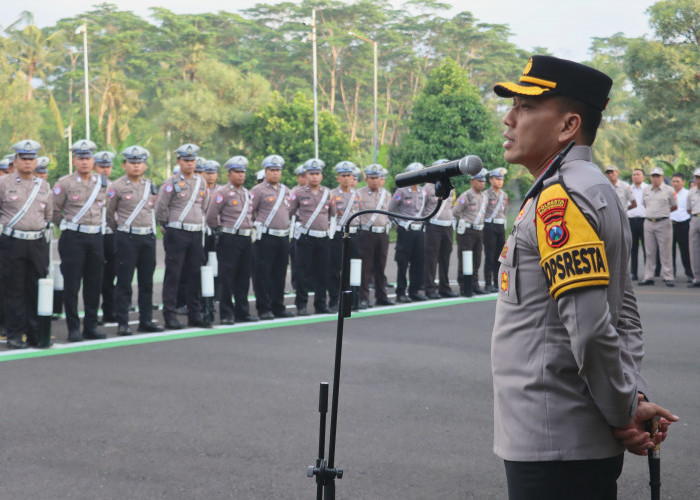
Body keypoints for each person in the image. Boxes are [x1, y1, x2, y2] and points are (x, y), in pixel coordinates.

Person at [491, 55, 678, 499]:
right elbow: (624, 311)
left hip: (554, 441)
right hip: (568, 438)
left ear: (568, 125)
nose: (509, 118)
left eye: (526, 107)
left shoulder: (563, 199)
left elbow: (594, 330)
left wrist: (622, 415)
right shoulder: (593, 188)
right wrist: (631, 398)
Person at [53, 139, 109, 342]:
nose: (84, 162)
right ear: (74, 160)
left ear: (93, 160)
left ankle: (91, 326)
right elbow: (54, 210)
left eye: (87, 158)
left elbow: (107, 208)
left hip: (95, 236)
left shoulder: (102, 183)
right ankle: (73, 329)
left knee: (94, 283)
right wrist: (68, 227)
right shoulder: (64, 183)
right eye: (80, 158)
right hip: (73, 238)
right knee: (72, 284)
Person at [0, 140, 52, 349]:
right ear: (16, 160)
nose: (29, 162)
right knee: (14, 290)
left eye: (32, 158)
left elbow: (48, 215)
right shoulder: (4, 184)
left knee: (35, 290)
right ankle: (14, 334)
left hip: (37, 242)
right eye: (24, 158)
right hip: (13, 242)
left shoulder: (44, 185)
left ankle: (34, 334)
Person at [105, 146, 163, 336]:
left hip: (147, 236)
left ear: (145, 165)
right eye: (132, 162)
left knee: (146, 282)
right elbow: (108, 214)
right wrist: (120, 230)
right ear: (124, 165)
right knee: (124, 282)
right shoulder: (117, 186)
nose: (136, 166)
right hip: (126, 237)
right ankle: (123, 322)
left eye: (140, 163)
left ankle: (146, 320)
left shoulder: (149, 185)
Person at [156, 143, 211, 329]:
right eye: (186, 160)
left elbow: (204, 205)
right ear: (179, 161)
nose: (190, 164)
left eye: (192, 160)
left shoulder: (201, 182)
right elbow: (161, 208)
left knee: (194, 274)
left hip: (195, 232)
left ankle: (195, 314)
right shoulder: (171, 182)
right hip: (177, 232)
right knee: (174, 274)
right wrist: (166, 225)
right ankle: (170, 315)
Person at [206, 155, 258, 324]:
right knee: (227, 277)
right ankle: (227, 314)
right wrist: (219, 231)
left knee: (243, 277)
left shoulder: (248, 194)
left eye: (242, 172)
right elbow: (212, 216)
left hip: (245, 237)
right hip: (229, 237)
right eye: (237, 172)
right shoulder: (222, 193)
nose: (241, 175)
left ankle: (242, 312)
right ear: (229, 174)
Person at [250, 154, 295, 320]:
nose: (275, 173)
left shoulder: (286, 190)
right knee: (262, 274)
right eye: (272, 170)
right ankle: (264, 308)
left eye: (278, 170)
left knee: (279, 273)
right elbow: (249, 212)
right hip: (265, 237)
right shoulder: (258, 190)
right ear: (266, 171)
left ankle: (278, 306)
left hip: (282, 237)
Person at [290, 158, 333, 315]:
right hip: (305, 238)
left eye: (317, 174)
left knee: (322, 272)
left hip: (323, 237)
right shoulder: (298, 193)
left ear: (321, 176)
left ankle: (321, 304)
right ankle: (301, 305)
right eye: (311, 174)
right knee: (302, 272)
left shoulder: (328, 193)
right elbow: (291, 212)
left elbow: (332, 214)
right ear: (306, 175)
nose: (314, 177)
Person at [389, 162, 428, 302]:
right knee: (403, 262)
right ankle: (401, 292)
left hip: (419, 232)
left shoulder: (423, 192)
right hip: (405, 231)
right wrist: (399, 224)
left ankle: (414, 291)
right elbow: (390, 210)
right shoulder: (401, 191)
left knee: (418, 262)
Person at [356, 164, 394, 308]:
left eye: (377, 177)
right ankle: (364, 297)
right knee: (366, 267)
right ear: (366, 178)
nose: (374, 180)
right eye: (371, 177)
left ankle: (381, 296)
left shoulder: (386, 194)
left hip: (382, 233)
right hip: (367, 233)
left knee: (380, 266)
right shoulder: (359, 193)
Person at [328, 161, 361, 312]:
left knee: (353, 269)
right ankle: (334, 300)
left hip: (354, 234)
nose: (347, 178)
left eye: (349, 175)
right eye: (343, 176)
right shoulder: (332, 194)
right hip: (339, 234)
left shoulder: (357, 194)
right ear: (338, 178)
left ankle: (353, 300)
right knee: (336, 269)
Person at [421, 160, 457, 299]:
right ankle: (430, 288)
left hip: (447, 226)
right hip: (433, 226)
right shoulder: (428, 188)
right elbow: (421, 208)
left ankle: (444, 287)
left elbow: (452, 206)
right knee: (431, 259)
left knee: (445, 258)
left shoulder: (451, 188)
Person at [639, 167, 677, 287]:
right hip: (649, 222)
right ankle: (649, 276)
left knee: (665, 251)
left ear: (662, 177)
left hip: (663, 222)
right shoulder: (646, 190)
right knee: (649, 252)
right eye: (653, 176)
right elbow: (645, 204)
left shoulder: (669, 190)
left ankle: (668, 276)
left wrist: (662, 213)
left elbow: (674, 206)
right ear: (650, 177)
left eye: (658, 176)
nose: (655, 178)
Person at [453, 168, 489, 295]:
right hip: (467, 231)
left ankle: (474, 284)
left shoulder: (484, 196)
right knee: (465, 258)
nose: (482, 184)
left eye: (483, 181)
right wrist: (462, 223)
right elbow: (456, 212)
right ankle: (464, 285)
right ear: (472, 181)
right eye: (479, 181)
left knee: (477, 259)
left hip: (479, 231)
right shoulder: (466, 195)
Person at [94, 151, 117, 324]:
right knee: (94, 276)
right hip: (94, 235)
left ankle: (109, 310)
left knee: (110, 275)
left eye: (108, 166)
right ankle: (91, 314)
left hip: (110, 235)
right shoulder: (89, 185)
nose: (105, 170)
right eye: (102, 166)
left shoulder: (115, 186)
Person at [482, 168, 509, 293]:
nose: (499, 182)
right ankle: (488, 283)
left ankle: (497, 282)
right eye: (497, 179)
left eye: (501, 180)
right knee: (490, 255)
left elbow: (505, 212)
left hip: (500, 226)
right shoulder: (486, 194)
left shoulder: (504, 195)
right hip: (489, 226)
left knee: (500, 256)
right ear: (491, 180)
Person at [669, 172, 693, 282]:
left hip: (684, 224)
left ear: (683, 182)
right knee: (670, 251)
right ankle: (671, 274)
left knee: (685, 251)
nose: (675, 183)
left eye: (678, 181)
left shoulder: (688, 193)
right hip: (670, 224)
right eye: (673, 181)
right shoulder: (668, 192)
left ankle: (689, 273)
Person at [627, 168, 647, 280]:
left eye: (638, 174)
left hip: (645, 220)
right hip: (631, 220)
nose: (635, 176)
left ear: (643, 177)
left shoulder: (647, 188)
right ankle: (634, 273)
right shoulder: (628, 189)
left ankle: (648, 273)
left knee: (647, 248)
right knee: (633, 248)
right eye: (633, 174)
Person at [687, 167, 700, 288]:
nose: (698, 179)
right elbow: (688, 208)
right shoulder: (691, 192)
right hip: (695, 218)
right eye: (696, 177)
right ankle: (697, 278)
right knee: (694, 250)